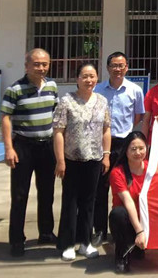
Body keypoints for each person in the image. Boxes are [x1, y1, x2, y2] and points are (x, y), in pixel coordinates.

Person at [0, 48, 58, 257]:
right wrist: (9, 148)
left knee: (47, 192)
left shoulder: (52, 86)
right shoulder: (15, 89)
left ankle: (46, 233)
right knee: (19, 195)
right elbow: (6, 117)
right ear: (26, 66)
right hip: (23, 147)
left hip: (47, 147)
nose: (41, 68)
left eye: (45, 64)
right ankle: (17, 240)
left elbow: (55, 115)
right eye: (36, 64)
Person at [52, 63, 111, 261]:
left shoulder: (102, 101)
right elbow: (58, 131)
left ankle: (85, 243)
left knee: (89, 202)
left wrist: (106, 155)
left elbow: (106, 129)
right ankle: (68, 244)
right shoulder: (66, 101)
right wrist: (60, 160)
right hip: (71, 159)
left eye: (92, 76)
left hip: (94, 159)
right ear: (77, 78)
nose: (89, 80)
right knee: (70, 202)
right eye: (85, 76)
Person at [92, 51, 145, 246]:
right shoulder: (98, 90)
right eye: (114, 65)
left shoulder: (135, 90)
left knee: (126, 188)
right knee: (100, 189)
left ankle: (121, 228)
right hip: (102, 144)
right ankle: (99, 230)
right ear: (107, 68)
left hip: (125, 145)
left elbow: (138, 116)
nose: (117, 69)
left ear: (127, 68)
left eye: (121, 65)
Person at [109, 131, 150, 274]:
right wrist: (139, 231)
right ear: (125, 151)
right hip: (128, 223)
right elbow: (128, 201)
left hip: (146, 220)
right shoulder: (117, 173)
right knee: (118, 213)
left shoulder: (151, 169)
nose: (138, 152)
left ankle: (138, 246)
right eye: (133, 149)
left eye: (141, 148)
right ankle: (121, 256)